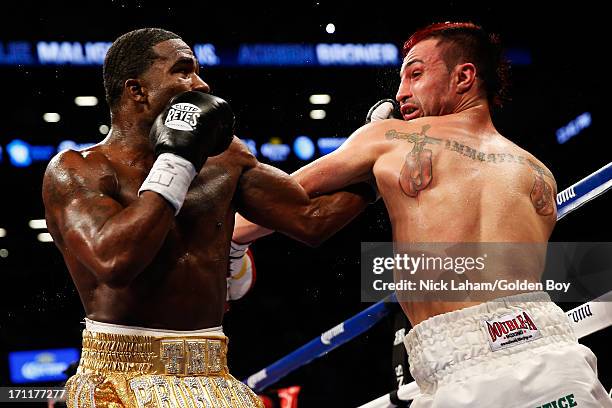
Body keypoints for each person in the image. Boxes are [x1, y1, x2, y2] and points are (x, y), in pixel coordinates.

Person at [233, 22, 612, 406]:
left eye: (415, 74)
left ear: (464, 76)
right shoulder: (538, 173)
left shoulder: (390, 137)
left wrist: (226, 243)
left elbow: (280, 200)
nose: (400, 93)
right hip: (557, 357)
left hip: (462, 372)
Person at [42, 28, 372, 408]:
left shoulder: (225, 160)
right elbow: (115, 262)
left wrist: (378, 167)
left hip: (213, 372)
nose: (200, 83)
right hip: (120, 378)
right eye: (183, 71)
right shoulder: (77, 170)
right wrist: (176, 162)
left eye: (198, 71)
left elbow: (311, 219)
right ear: (137, 91)